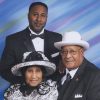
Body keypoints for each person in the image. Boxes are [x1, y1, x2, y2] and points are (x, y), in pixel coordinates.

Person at [0, 2, 62, 83]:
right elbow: (4, 70)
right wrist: (26, 83)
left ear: (46, 17)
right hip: (24, 92)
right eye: (35, 14)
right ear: (28, 16)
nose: (39, 19)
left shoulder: (57, 38)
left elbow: (64, 65)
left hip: (53, 90)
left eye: (43, 15)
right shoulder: (13, 40)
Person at [54, 31, 100, 100]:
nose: (68, 56)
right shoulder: (56, 73)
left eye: (72, 52)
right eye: (64, 52)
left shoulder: (95, 76)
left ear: (81, 52)